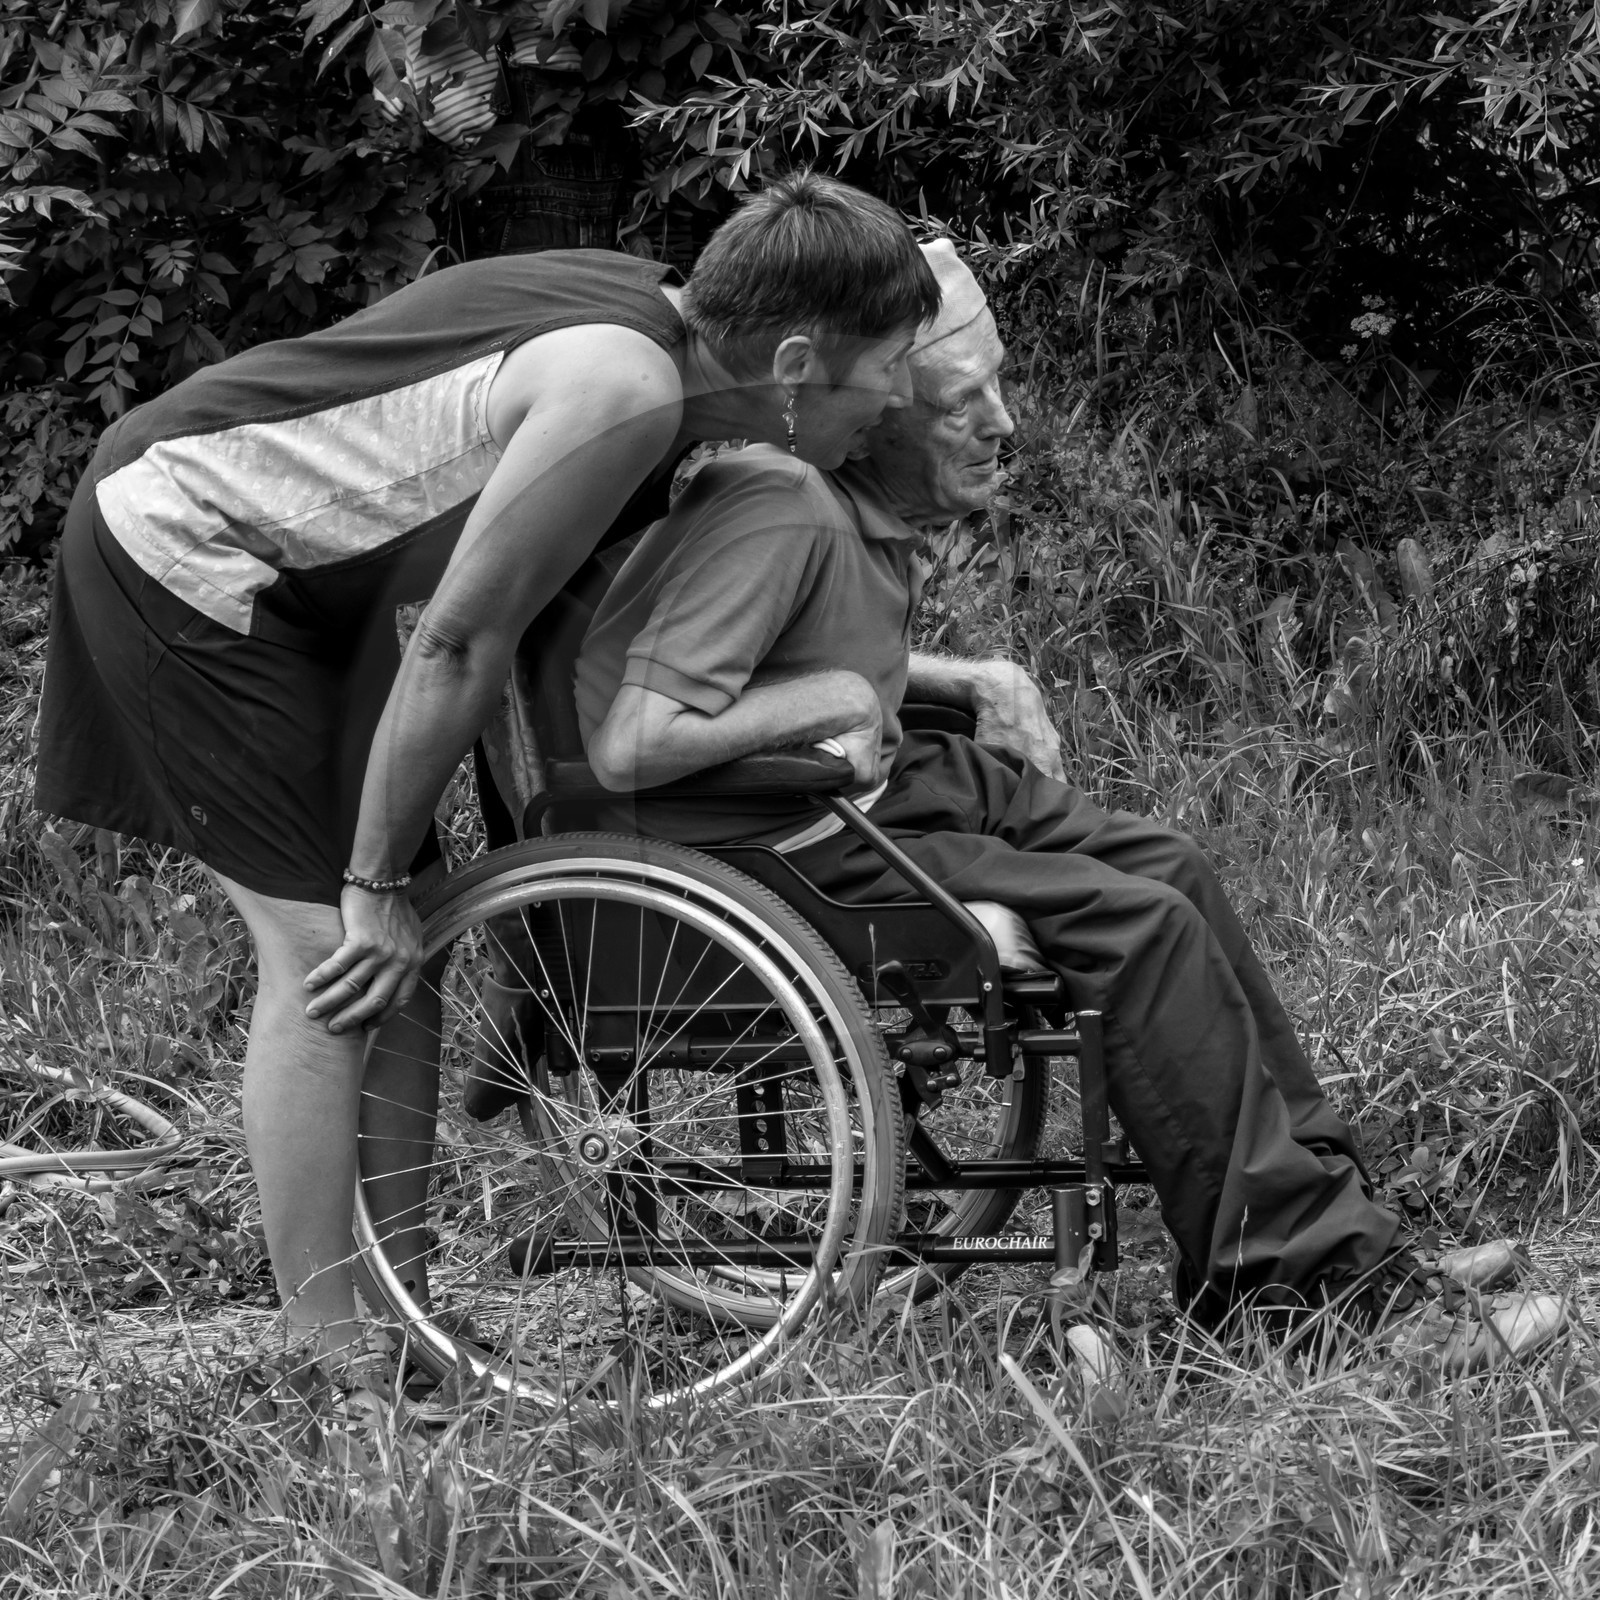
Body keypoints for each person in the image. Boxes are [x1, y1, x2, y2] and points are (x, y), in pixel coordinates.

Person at [573, 240, 1567, 1371]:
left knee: (1169, 864)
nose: (1000, 423)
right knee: (1135, 924)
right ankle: (1307, 1288)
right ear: (876, 396)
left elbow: (760, 658)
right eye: (952, 396)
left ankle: (1338, 1224)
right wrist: (850, 696)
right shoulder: (780, 506)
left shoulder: (832, 514)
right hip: (787, 839)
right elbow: (637, 732)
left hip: (869, 789)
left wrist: (941, 680)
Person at [32, 172, 941, 1378]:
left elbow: (526, 630)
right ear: (789, 359)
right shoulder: (624, 389)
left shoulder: (665, 348)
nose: (892, 401)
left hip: (316, 588)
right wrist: (365, 871)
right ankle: (324, 1349)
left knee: (408, 940)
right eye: (885, 364)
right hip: (191, 547)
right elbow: (464, 637)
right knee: (329, 951)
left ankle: (398, 1312)